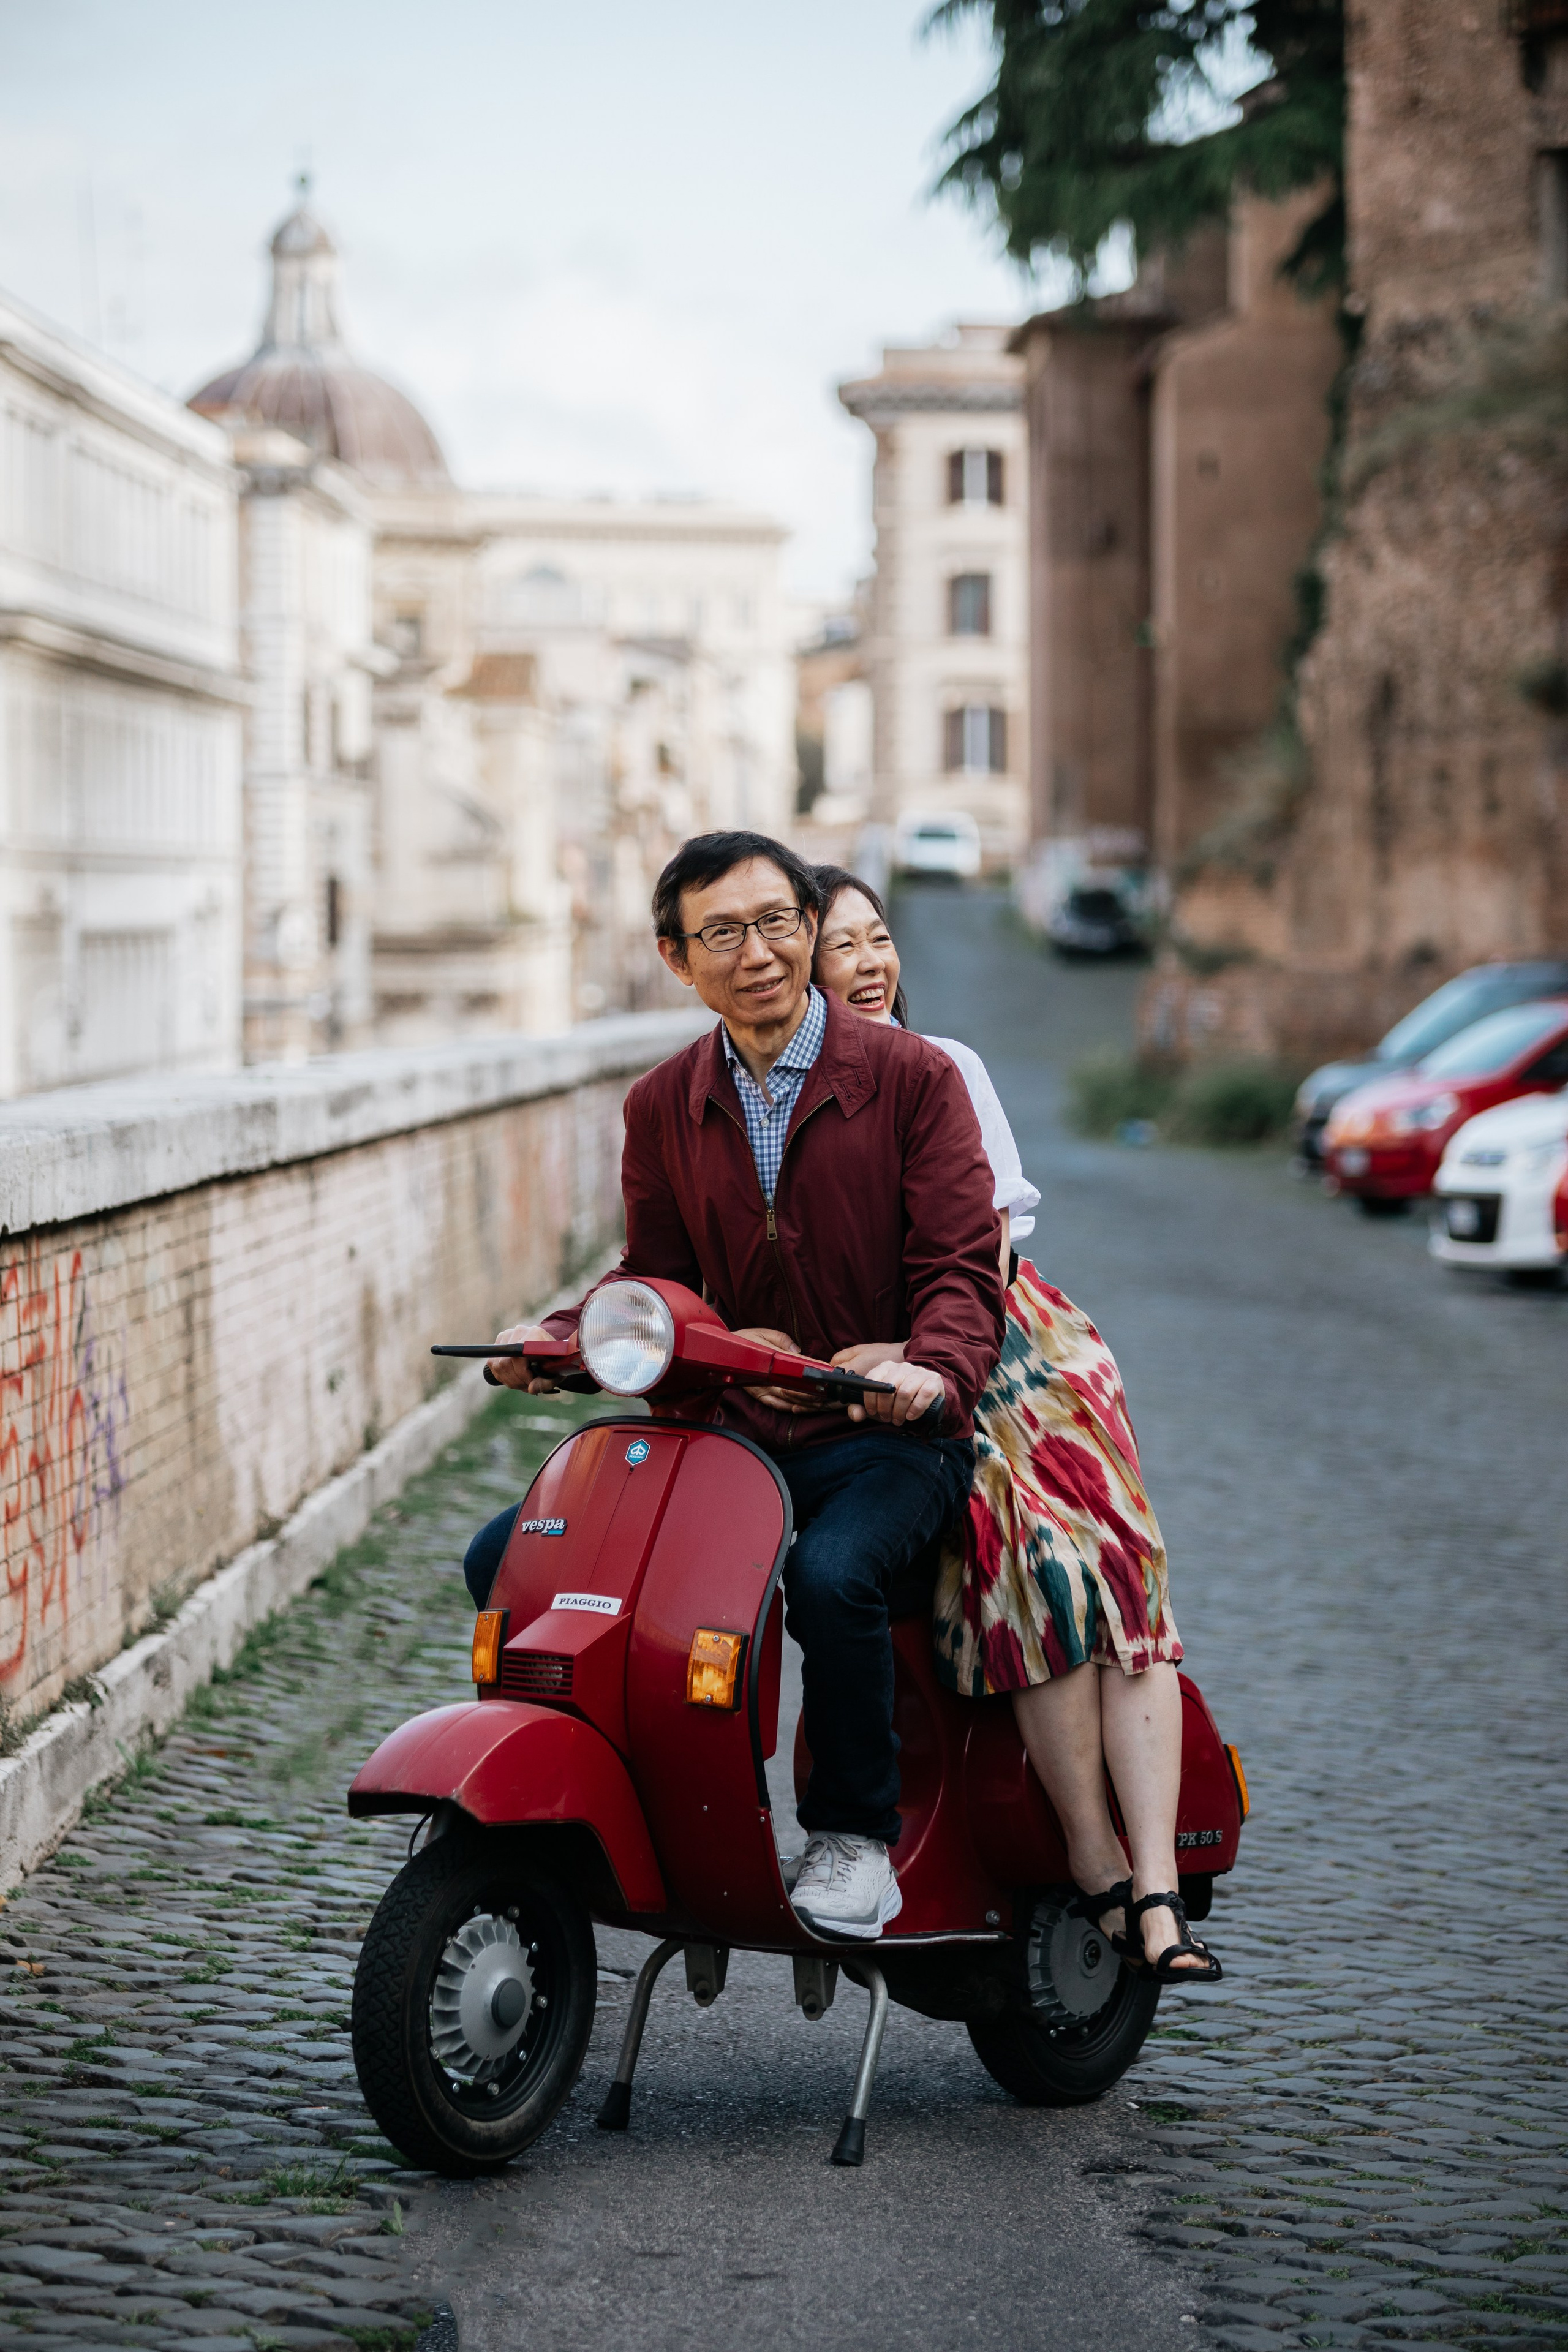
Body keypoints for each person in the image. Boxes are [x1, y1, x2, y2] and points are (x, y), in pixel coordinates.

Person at [468, 832, 1005, 1943]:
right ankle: (627, 1801)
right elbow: (655, 1276)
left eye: (775, 923)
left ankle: (855, 1837)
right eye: (721, 933)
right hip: (733, 1431)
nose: (756, 953)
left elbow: (963, 1267)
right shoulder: (662, 1102)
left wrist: (930, 1368)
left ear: (808, 928)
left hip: (886, 1438)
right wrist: (561, 1339)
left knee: (834, 1573)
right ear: (678, 959)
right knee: (508, 1553)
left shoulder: (914, 1078)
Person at [812, 869, 1221, 1985]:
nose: (871, 963)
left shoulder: (949, 1068)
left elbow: (985, 1251)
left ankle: (1159, 1892)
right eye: (843, 946)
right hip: (898, 1376)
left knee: (1126, 1577)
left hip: (1016, 1349)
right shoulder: (793, 1105)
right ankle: (1093, 1862)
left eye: (880, 938)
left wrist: (911, 1351)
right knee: (1042, 1578)